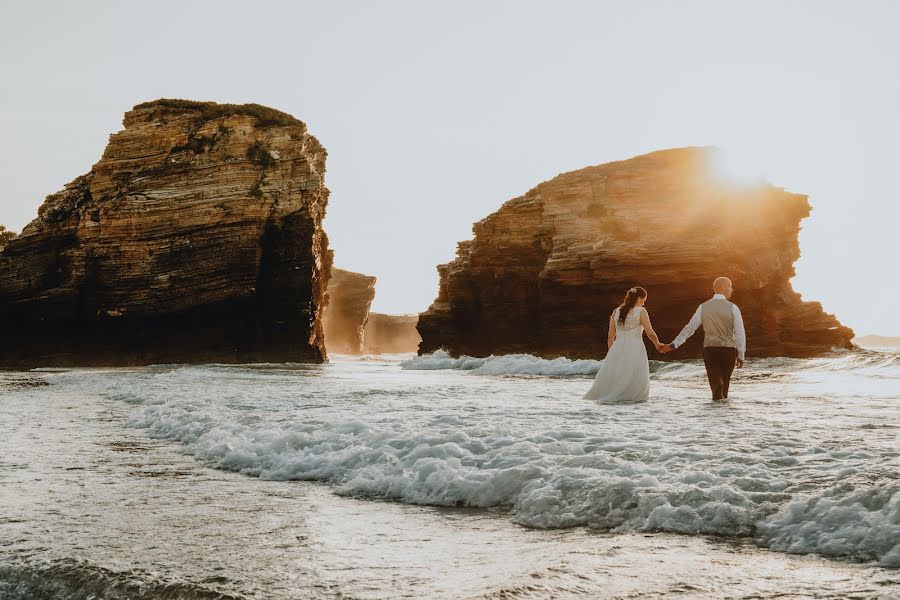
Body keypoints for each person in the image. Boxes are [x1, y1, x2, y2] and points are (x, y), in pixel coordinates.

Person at [660, 277, 746, 401]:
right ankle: (725, 417)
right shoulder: (733, 308)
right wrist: (741, 354)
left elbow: (690, 328)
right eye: (730, 286)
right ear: (723, 287)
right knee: (725, 389)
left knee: (716, 386)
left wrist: (674, 345)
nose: (732, 289)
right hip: (728, 350)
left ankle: (714, 414)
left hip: (710, 350)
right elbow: (740, 333)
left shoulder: (703, 307)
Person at [584, 286, 664, 403]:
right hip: (635, 347)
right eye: (643, 300)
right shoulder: (641, 311)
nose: (643, 303)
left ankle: (614, 395)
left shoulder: (616, 311)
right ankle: (631, 398)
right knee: (634, 373)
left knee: (619, 372)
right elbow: (650, 332)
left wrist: (611, 352)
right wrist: (657, 343)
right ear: (639, 299)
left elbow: (610, 336)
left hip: (617, 347)